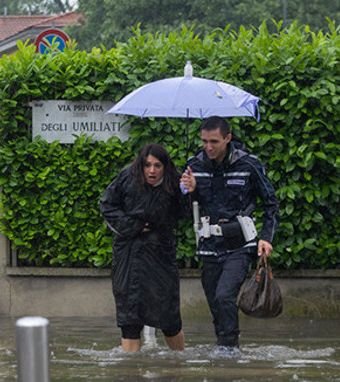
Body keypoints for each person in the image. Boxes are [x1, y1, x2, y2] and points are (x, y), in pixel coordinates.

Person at [180, 116, 279, 350]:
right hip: (207, 245)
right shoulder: (193, 165)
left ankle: (229, 349)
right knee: (215, 302)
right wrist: (189, 192)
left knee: (225, 296)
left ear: (227, 138)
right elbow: (185, 211)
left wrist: (266, 237)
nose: (208, 147)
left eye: (214, 141)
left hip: (239, 245)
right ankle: (223, 346)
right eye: (204, 141)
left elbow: (270, 203)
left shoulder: (249, 164)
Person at [100, 143, 187, 352]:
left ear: (165, 167)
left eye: (157, 166)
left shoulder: (176, 182)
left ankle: (178, 363)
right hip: (128, 254)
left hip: (160, 255)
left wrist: (189, 191)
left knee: (169, 317)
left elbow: (184, 214)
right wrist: (135, 226)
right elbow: (107, 205)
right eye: (147, 165)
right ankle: (131, 370)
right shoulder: (127, 177)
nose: (152, 171)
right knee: (129, 318)